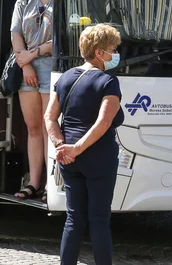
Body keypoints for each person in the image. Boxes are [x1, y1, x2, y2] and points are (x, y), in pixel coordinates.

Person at [44, 23, 125, 265]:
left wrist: (62, 146)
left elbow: (50, 116)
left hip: (69, 160)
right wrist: (77, 148)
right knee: (99, 220)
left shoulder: (66, 77)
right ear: (100, 52)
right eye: (113, 48)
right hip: (98, 158)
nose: (116, 53)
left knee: (73, 219)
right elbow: (104, 122)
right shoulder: (108, 81)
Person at [11, 0, 55, 201]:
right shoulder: (24, 1)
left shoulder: (64, 2)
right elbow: (15, 33)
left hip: (51, 68)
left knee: (51, 128)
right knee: (33, 128)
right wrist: (25, 63)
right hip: (26, 69)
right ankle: (34, 183)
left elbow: (62, 37)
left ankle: (51, 185)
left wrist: (32, 55)